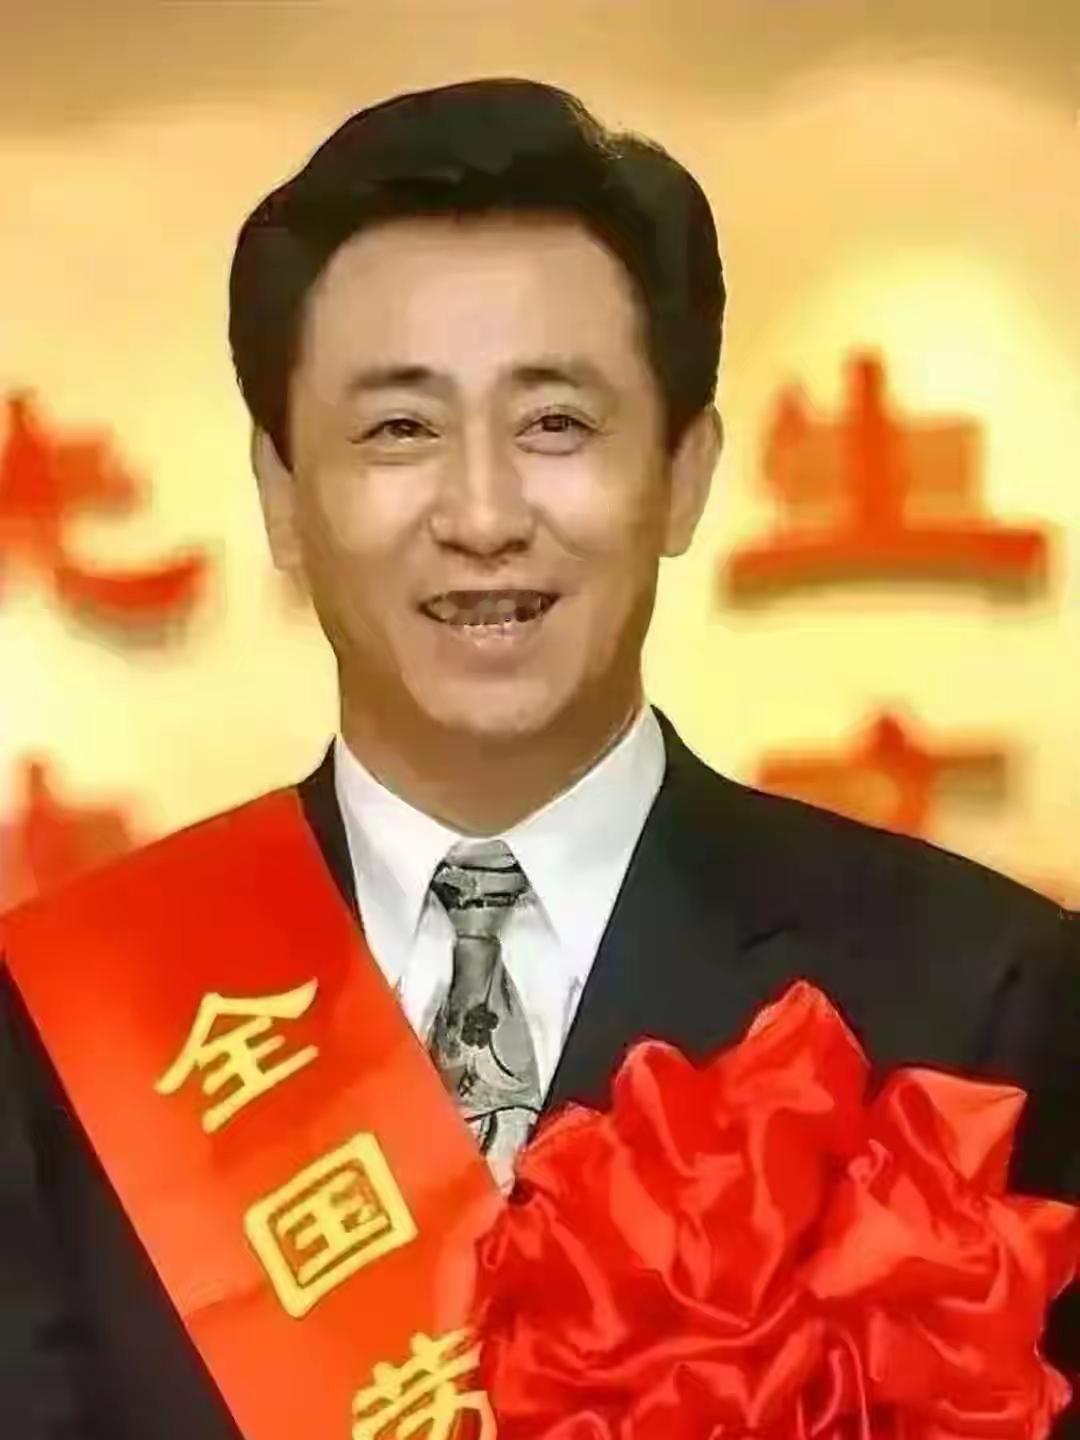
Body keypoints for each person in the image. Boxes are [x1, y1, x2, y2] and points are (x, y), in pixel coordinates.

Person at [1, 78, 1077, 1440]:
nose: (483, 512)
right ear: (281, 494)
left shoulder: (979, 998)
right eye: (399, 429)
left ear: (685, 471)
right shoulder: (64, 1027)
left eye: (556, 423)